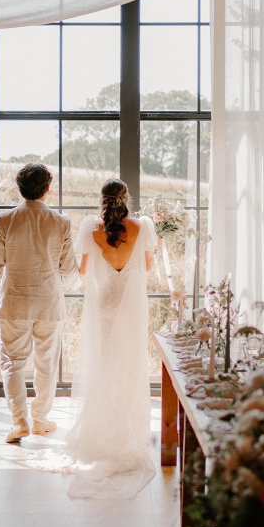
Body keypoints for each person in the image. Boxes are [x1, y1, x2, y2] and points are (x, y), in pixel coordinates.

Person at [31, 178, 158, 500]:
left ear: (102, 201)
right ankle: (126, 430)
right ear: (126, 199)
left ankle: (103, 428)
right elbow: (148, 266)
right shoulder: (142, 227)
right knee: (128, 365)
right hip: (130, 308)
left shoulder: (91, 229)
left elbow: (84, 272)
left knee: (104, 368)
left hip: (104, 305)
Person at [0, 163, 80, 443]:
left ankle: (19, 422)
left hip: (15, 303)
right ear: (47, 189)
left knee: (12, 363)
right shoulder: (62, 222)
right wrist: (78, 285)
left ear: (20, 190)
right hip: (49, 304)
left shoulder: (5, 219)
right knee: (46, 364)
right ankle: (40, 420)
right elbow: (69, 270)